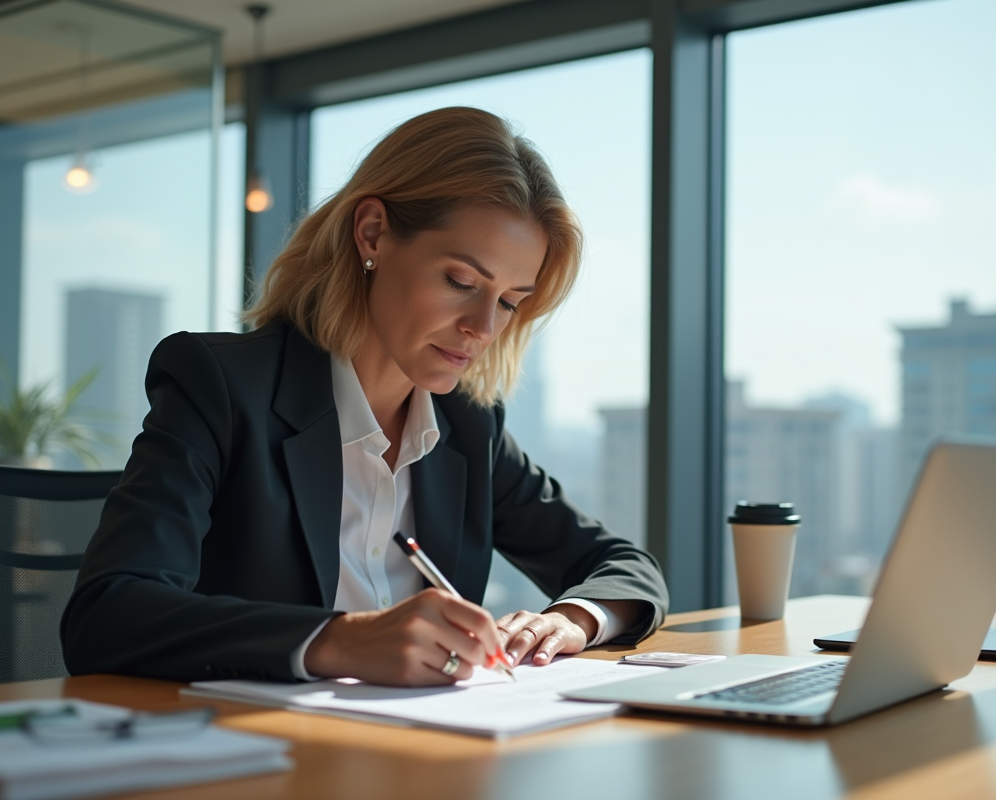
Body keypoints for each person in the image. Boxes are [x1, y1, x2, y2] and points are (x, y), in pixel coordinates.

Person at [61, 107, 668, 687]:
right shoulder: (220, 386)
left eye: (510, 301)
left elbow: (623, 566)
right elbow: (108, 614)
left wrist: (573, 619)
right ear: (373, 232)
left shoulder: (467, 425)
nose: (484, 328)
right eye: (461, 281)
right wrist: (344, 640)